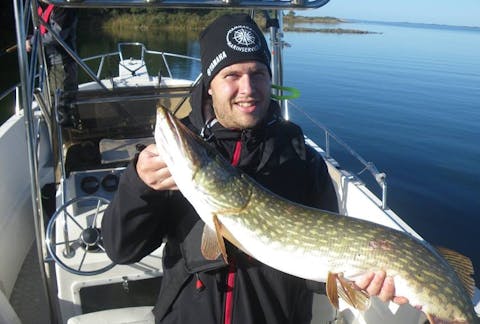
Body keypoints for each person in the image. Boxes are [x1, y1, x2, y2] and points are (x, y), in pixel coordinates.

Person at [102, 13, 406, 324]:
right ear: (209, 85)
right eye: (231, 75)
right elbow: (120, 250)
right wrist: (139, 186)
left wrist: (358, 278)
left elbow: (321, 273)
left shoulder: (303, 162)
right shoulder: (169, 166)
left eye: (258, 73)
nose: (248, 88)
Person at [26, 2, 78, 95]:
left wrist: (32, 41)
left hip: (62, 65)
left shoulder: (62, 6)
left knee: (62, 103)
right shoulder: (42, 7)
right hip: (48, 66)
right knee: (51, 102)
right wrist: (33, 38)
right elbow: (44, 32)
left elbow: (57, 36)